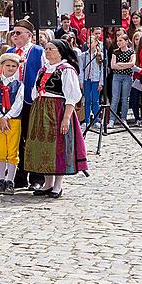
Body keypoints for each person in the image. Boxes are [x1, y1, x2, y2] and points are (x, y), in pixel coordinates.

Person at [24, 39, 89, 198]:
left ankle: (57, 186)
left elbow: (72, 96)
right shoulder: (43, 69)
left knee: (58, 146)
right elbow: (35, 92)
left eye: (51, 49)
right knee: (43, 146)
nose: (47, 52)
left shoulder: (67, 70)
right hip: (41, 109)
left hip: (57, 109)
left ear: (60, 52)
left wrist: (66, 118)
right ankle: (48, 183)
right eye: (46, 49)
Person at [7, 19, 46, 190]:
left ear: (29, 35)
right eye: (13, 33)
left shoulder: (37, 51)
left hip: (32, 101)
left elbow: (44, 74)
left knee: (33, 138)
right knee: (17, 139)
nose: (14, 36)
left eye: (18, 33)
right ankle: (20, 176)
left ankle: (37, 177)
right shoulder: (10, 51)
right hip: (13, 102)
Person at [0, 53, 24, 195]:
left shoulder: (19, 85)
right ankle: (1, 180)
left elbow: (18, 103)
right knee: (0, 150)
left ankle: (10, 180)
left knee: (12, 150)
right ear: (2, 66)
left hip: (13, 120)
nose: (10, 68)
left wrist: (7, 116)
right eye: (7, 65)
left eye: (13, 66)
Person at [109, 32, 135, 128]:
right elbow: (113, 66)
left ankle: (123, 118)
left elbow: (132, 64)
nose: (118, 42)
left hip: (127, 77)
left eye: (121, 40)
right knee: (115, 98)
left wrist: (120, 64)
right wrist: (125, 65)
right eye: (117, 41)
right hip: (117, 76)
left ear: (126, 41)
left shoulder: (131, 52)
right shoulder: (115, 52)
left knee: (125, 98)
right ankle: (112, 119)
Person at [79, 34, 104, 127]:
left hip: (96, 80)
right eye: (88, 43)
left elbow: (102, 70)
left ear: (96, 43)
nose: (89, 44)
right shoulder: (83, 55)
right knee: (87, 100)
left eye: (91, 42)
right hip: (86, 80)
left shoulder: (100, 55)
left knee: (95, 100)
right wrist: (81, 81)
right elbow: (81, 69)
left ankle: (96, 120)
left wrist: (101, 83)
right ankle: (87, 120)